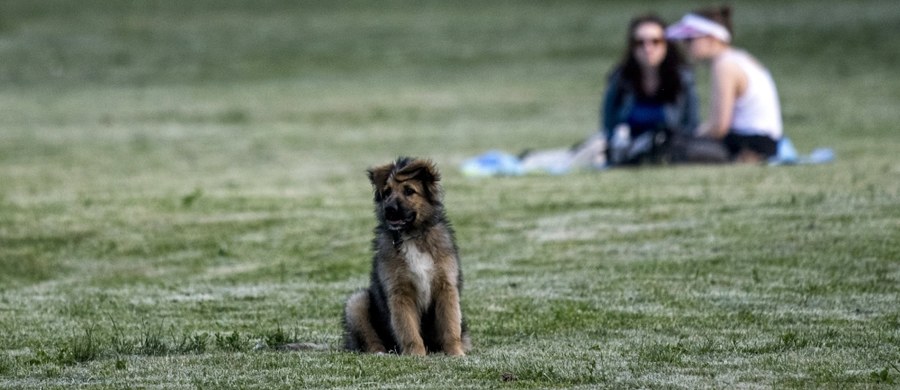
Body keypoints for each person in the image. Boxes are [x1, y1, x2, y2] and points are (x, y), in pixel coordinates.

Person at [666, 6, 783, 163]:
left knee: (670, 147)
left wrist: (692, 135)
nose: (685, 46)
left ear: (712, 38)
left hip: (750, 144)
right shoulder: (739, 58)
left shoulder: (724, 65)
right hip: (765, 142)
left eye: (690, 39)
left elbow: (719, 127)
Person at [601, 14, 699, 166]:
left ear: (667, 44)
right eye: (640, 43)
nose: (648, 48)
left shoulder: (681, 78)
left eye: (656, 41)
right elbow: (608, 122)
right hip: (626, 147)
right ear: (632, 46)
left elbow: (690, 123)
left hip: (669, 147)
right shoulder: (621, 78)